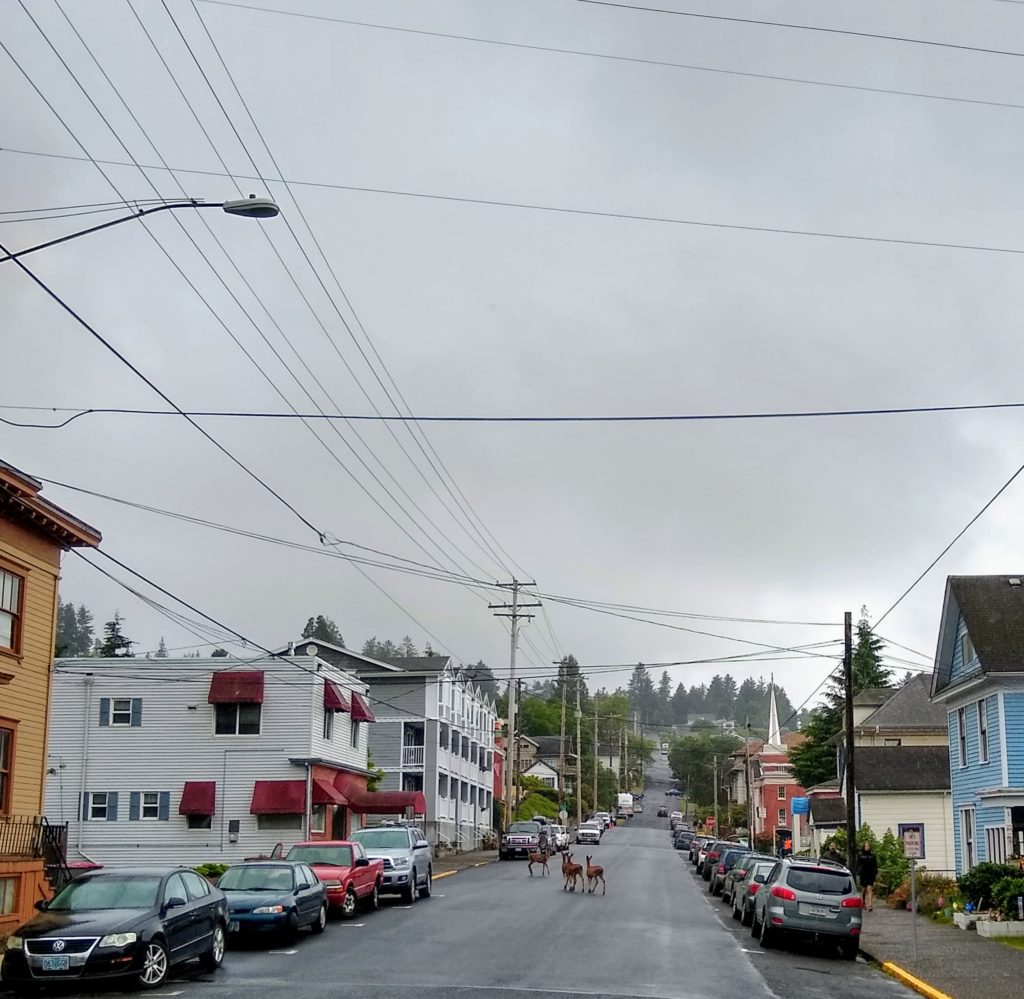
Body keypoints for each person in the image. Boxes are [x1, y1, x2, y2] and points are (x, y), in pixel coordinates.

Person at [858, 842, 878, 911]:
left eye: (868, 846)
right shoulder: (861, 856)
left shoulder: (873, 856)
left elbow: (875, 865)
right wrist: (859, 872)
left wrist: (875, 872)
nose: (867, 847)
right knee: (864, 890)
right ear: (864, 847)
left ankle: (870, 905)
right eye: (866, 846)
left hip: (870, 874)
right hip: (863, 874)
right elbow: (858, 865)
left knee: (870, 889)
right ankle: (863, 902)